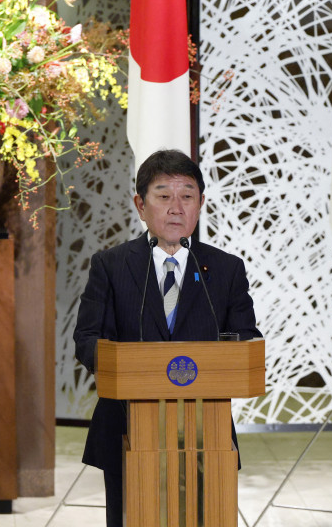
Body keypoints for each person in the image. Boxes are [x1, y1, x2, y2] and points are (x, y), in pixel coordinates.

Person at [73, 148, 260, 527]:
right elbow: (87, 338)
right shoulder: (111, 266)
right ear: (141, 205)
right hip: (128, 428)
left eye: (187, 196)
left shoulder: (225, 269)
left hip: (206, 434)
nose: (176, 207)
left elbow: (245, 338)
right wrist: (123, 365)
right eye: (163, 196)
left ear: (201, 203)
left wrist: (227, 352)